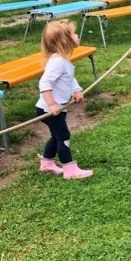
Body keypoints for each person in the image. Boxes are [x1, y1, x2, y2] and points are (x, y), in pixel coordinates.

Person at [35, 20, 92, 179]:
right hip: (49, 109)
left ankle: (47, 164)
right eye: (74, 34)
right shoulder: (57, 62)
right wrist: (52, 104)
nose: (77, 35)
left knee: (56, 136)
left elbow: (69, 78)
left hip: (55, 108)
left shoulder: (63, 60)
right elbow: (44, 83)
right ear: (65, 40)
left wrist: (77, 90)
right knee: (63, 136)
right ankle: (70, 170)